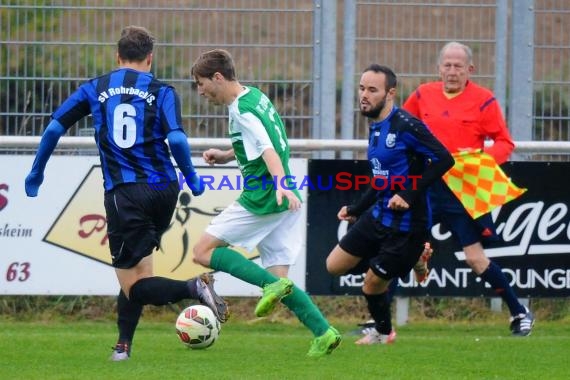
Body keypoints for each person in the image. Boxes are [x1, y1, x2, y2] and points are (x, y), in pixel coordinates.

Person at [24, 26, 229, 361]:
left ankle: (193, 288)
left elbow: (54, 128)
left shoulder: (94, 88)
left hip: (125, 193)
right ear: (150, 58)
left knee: (134, 284)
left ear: (117, 56)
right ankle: (123, 347)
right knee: (138, 270)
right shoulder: (163, 91)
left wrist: (37, 171)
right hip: (165, 191)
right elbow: (176, 140)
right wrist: (191, 177)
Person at [190, 48, 341, 357]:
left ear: (217, 77)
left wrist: (280, 185)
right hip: (284, 199)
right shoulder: (254, 97)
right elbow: (261, 138)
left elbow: (269, 147)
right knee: (280, 280)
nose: (200, 90)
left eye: (201, 82)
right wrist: (227, 154)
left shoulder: (241, 110)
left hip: (265, 196)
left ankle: (269, 286)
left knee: (203, 251)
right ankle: (324, 332)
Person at [403, 41, 535, 336]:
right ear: (439, 68)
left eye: (458, 66)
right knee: (397, 248)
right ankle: (379, 323)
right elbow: (402, 129)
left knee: (476, 259)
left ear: (470, 70)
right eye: (447, 65)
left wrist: (477, 163)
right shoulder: (422, 95)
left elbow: (505, 143)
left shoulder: (484, 100)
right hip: (425, 186)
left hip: (463, 192)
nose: (452, 71)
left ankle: (519, 313)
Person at [326, 64, 454, 344]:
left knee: (371, 286)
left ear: (390, 93)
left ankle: (384, 332)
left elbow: (445, 159)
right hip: (378, 217)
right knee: (333, 266)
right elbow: (381, 180)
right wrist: (356, 209)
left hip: (407, 226)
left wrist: (408, 194)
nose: (364, 95)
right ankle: (414, 258)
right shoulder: (375, 128)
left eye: (372, 90)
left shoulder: (407, 126)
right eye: (362, 88)